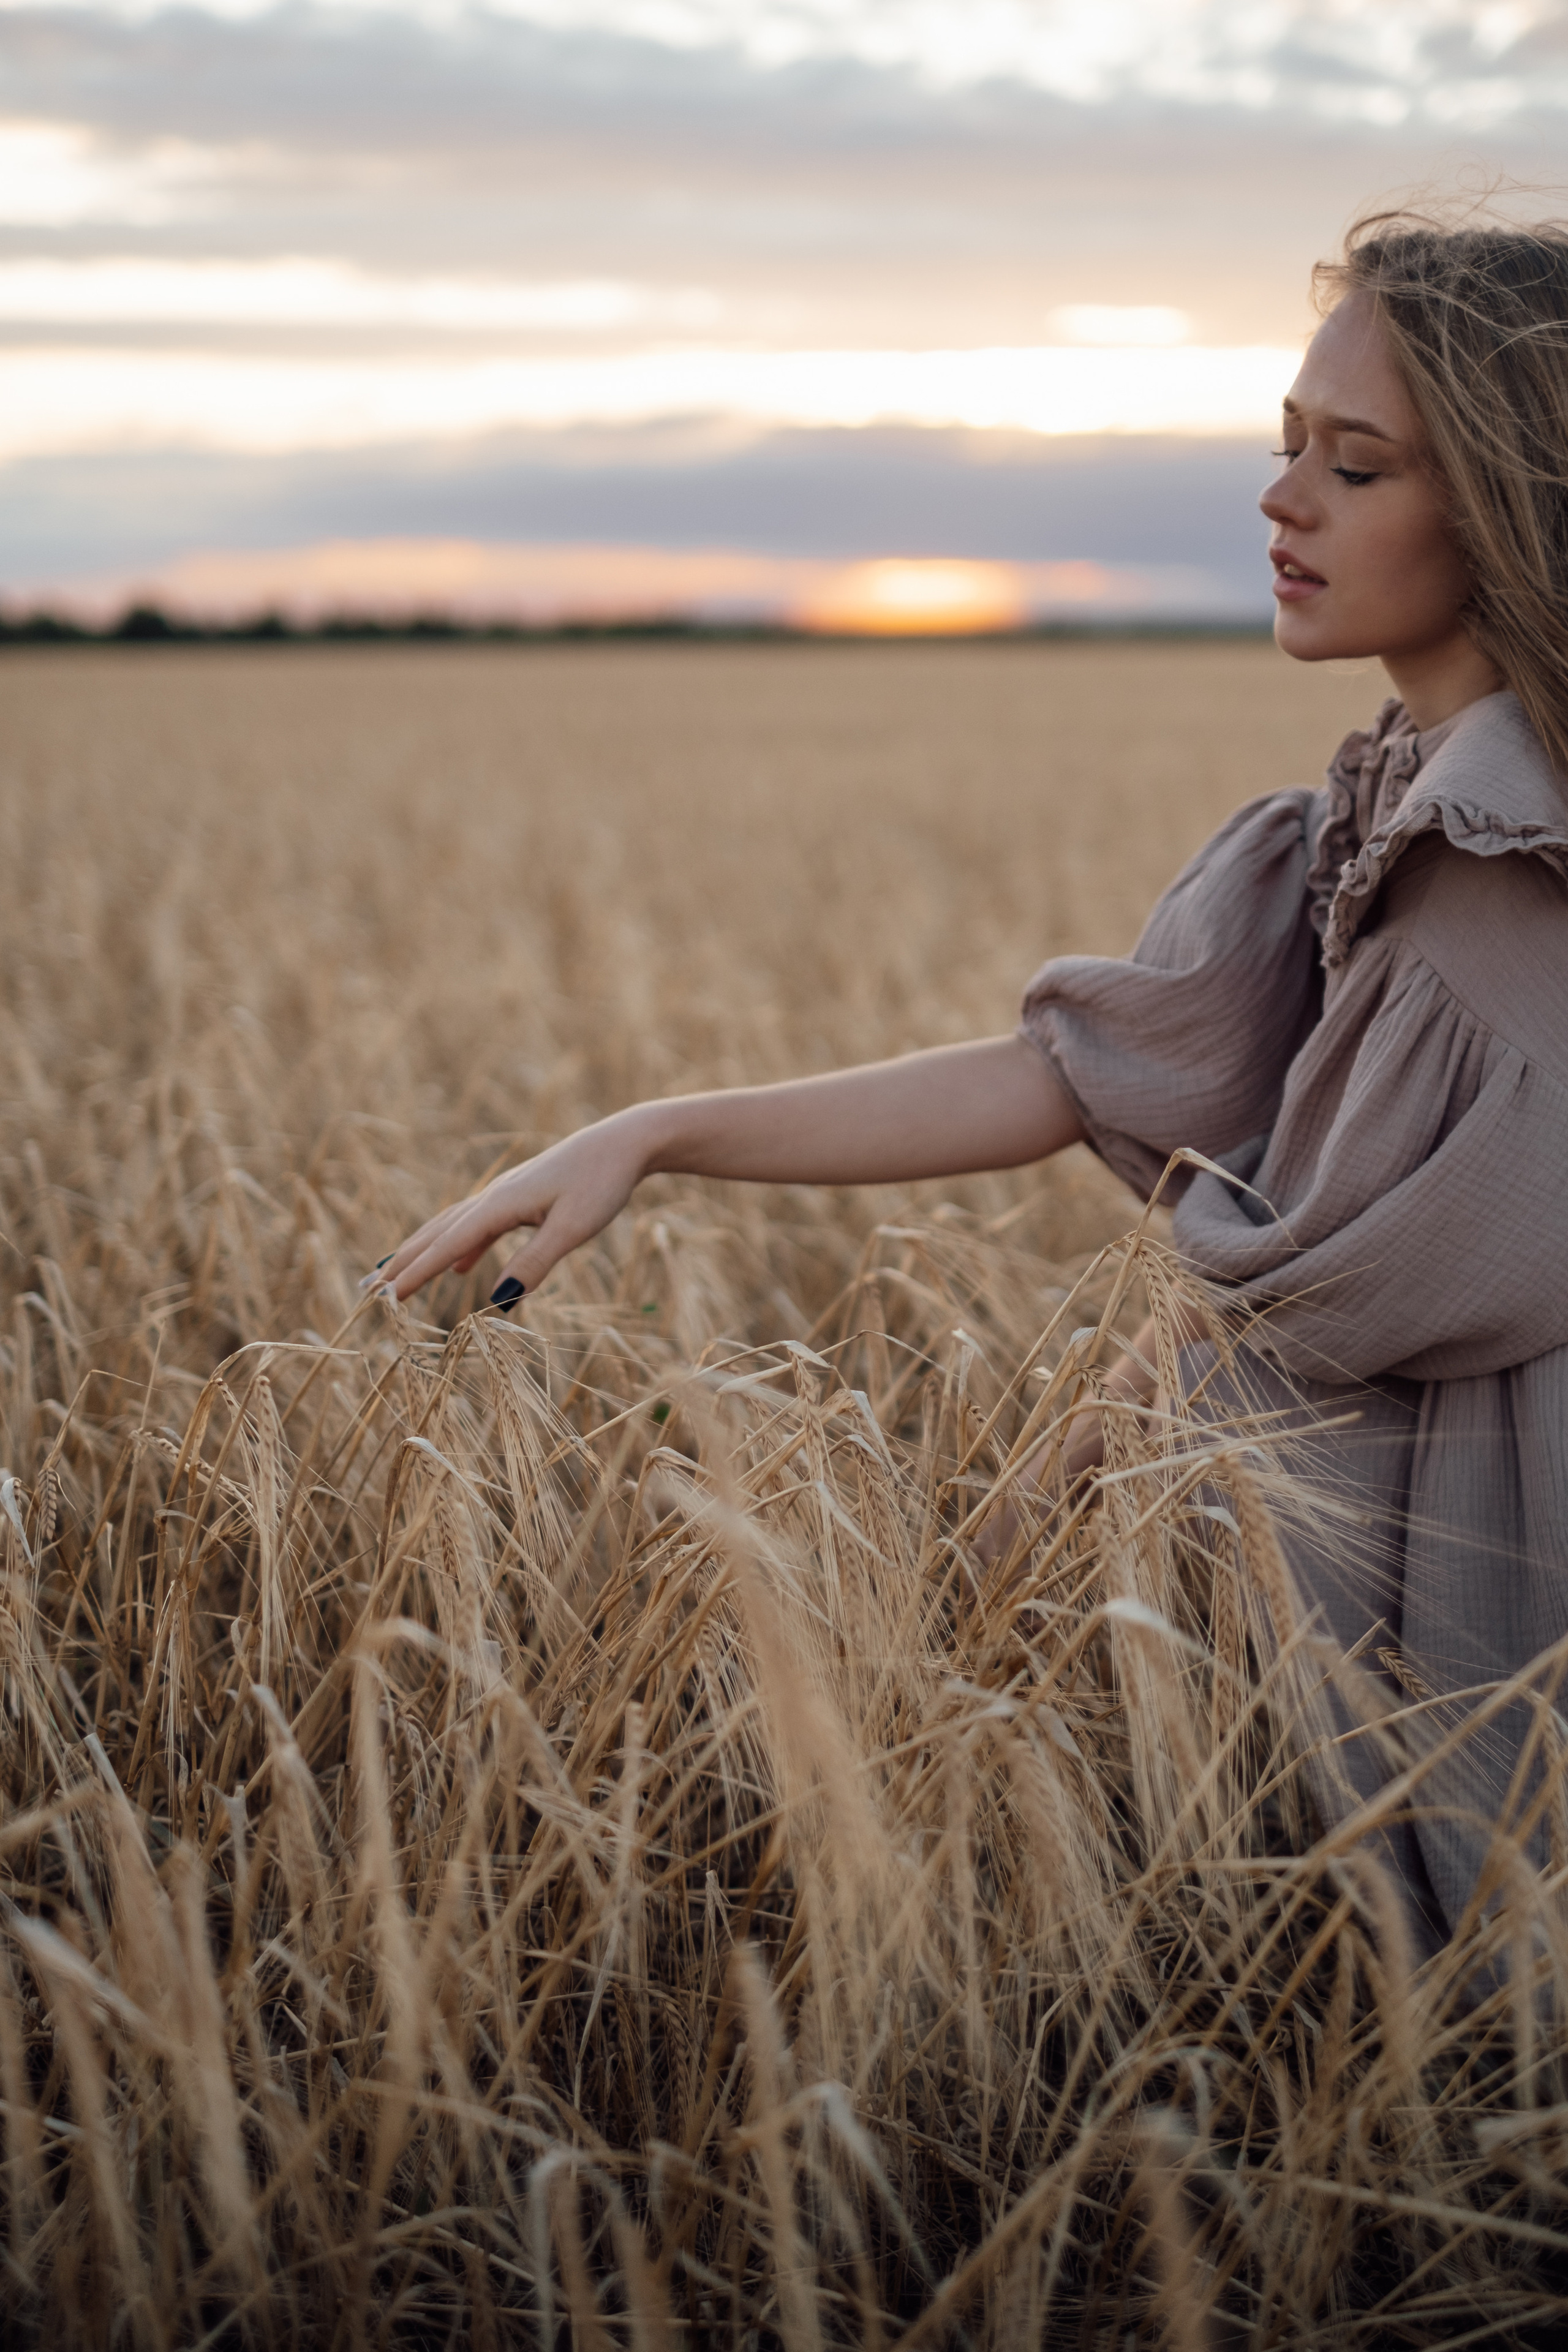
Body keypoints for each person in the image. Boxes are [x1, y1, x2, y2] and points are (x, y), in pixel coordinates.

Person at [375, 209, 1568, 1949]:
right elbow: (1086, 1070)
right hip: (1369, 1569)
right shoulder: (1380, 806)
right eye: (1285, 444)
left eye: (1357, 464)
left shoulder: (1511, 858)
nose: (1281, 501)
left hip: (1489, 1576)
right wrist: (658, 1133)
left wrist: (1052, 1498)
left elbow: (1299, 1293)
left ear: (1514, 496)